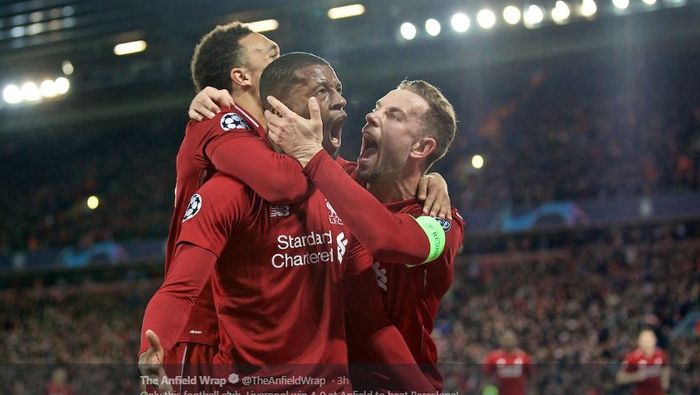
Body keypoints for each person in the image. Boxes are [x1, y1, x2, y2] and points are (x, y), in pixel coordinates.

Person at [142, 20, 451, 393]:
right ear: (245, 80)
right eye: (270, 54)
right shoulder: (218, 127)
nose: (353, 105)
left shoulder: (429, 213)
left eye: (393, 115)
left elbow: (378, 277)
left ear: (423, 149)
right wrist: (151, 348)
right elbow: (285, 182)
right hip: (203, 332)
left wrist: (435, 179)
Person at [265, 75, 465, 391]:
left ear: (421, 146)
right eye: (377, 108)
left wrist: (311, 155)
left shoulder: (440, 221)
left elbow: (386, 239)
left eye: (393, 115)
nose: (372, 116)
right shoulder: (339, 178)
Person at [616, 329, 670, 395]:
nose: (647, 344)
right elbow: (620, 377)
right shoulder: (632, 358)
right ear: (639, 342)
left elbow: (665, 367)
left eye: (649, 341)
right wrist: (635, 376)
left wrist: (665, 380)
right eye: (644, 341)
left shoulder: (661, 354)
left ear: (655, 340)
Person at [483, 330, 532, 395]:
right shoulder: (494, 357)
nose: (508, 342)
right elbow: (486, 374)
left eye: (510, 340)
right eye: (506, 340)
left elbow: (530, 374)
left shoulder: (523, 357)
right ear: (501, 341)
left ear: (515, 341)